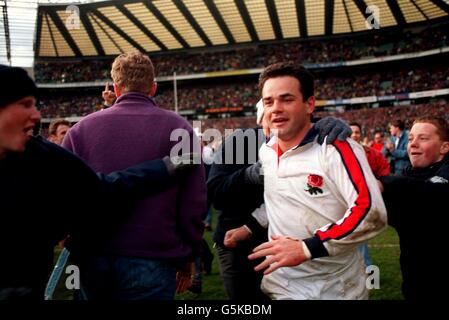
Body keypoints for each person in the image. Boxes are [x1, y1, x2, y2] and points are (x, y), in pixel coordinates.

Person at [0, 64, 198, 300]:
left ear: (116, 87)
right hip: (146, 259)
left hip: (83, 264)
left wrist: (164, 167)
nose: (36, 115)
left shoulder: (41, 153)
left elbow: (97, 189)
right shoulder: (178, 127)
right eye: (24, 104)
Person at [62, 51, 207, 300]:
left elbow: (64, 195)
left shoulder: (79, 131)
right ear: (153, 88)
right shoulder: (179, 128)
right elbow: (193, 202)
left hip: (92, 256)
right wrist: (188, 254)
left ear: (116, 89)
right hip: (153, 256)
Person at [246, 62, 387, 300]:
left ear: (309, 104)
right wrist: (248, 227)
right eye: (269, 101)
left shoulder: (337, 148)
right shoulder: (267, 151)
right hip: (281, 284)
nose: (276, 109)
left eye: (287, 99)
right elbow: (282, 198)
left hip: (333, 288)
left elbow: (370, 211)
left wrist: (307, 247)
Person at [210, 97, 353, 300]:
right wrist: (252, 175)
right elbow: (216, 193)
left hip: (294, 246)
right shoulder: (241, 141)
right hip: (242, 249)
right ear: (262, 120)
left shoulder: (306, 142)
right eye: (272, 117)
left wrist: (330, 125)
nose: (281, 122)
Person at [378, 117, 449, 300]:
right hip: (414, 281)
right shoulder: (409, 174)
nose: (413, 144)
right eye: (410, 139)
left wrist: (384, 183)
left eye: (423, 138)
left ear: (444, 147)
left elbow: (432, 194)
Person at [349, 122, 390, 267]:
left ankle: (367, 269)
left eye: (357, 132)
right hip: (342, 203)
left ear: (361, 135)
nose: (354, 135)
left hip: (363, 202)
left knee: (359, 236)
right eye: (351, 132)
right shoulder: (334, 153)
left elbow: (384, 171)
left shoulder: (373, 154)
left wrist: (378, 182)